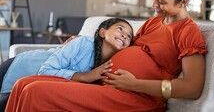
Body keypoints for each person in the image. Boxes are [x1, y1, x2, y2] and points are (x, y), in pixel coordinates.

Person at [5, 0, 214, 112]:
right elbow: (122, 45)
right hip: (107, 85)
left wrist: (136, 84)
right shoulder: (154, 22)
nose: (154, 5)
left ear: (184, 2)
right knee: (23, 83)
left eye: (161, 1)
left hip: (136, 97)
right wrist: (85, 40)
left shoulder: (188, 32)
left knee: (34, 92)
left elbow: (192, 87)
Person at [0, 17, 133, 110]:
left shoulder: (111, 64)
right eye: (120, 29)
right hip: (20, 68)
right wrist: (84, 76)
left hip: (35, 90)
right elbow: (46, 70)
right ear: (103, 32)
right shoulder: (83, 43)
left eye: (129, 36)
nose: (124, 35)